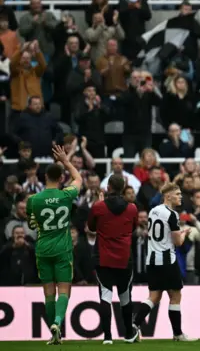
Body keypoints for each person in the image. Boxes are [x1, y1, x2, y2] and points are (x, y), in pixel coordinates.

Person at [26, 145, 83, 345]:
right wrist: (66, 161)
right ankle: (58, 322)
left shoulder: (33, 199)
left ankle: (53, 334)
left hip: (42, 249)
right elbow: (79, 179)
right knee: (64, 290)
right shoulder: (66, 195)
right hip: (62, 248)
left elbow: (31, 223)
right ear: (61, 179)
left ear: (44, 179)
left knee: (48, 292)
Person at [133, 183, 196, 342]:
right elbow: (177, 242)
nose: (180, 197)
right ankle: (178, 334)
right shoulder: (172, 214)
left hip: (152, 259)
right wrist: (183, 234)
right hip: (167, 259)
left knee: (154, 296)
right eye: (177, 194)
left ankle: (133, 325)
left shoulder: (153, 211)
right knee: (175, 295)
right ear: (168, 196)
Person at [87, 175, 139, 344]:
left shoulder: (98, 207)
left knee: (105, 296)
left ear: (108, 187)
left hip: (103, 258)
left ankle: (107, 337)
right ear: (124, 188)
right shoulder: (132, 208)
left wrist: (100, 204)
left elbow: (92, 227)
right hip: (124, 258)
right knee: (125, 297)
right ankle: (129, 334)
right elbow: (133, 227)